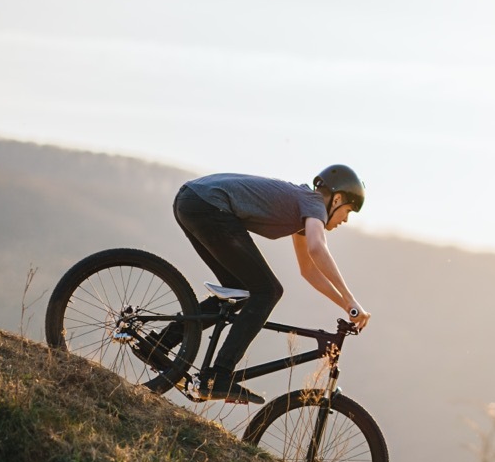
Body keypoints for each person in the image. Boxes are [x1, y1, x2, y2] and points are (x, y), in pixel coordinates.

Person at [147, 165, 371, 404]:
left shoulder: (304, 210)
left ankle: (160, 343)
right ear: (336, 199)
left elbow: (308, 271)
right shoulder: (314, 203)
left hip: (192, 201)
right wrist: (351, 300)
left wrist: (347, 307)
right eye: (347, 211)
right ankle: (220, 375)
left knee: (239, 292)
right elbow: (317, 248)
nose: (345, 219)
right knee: (268, 291)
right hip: (208, 205)